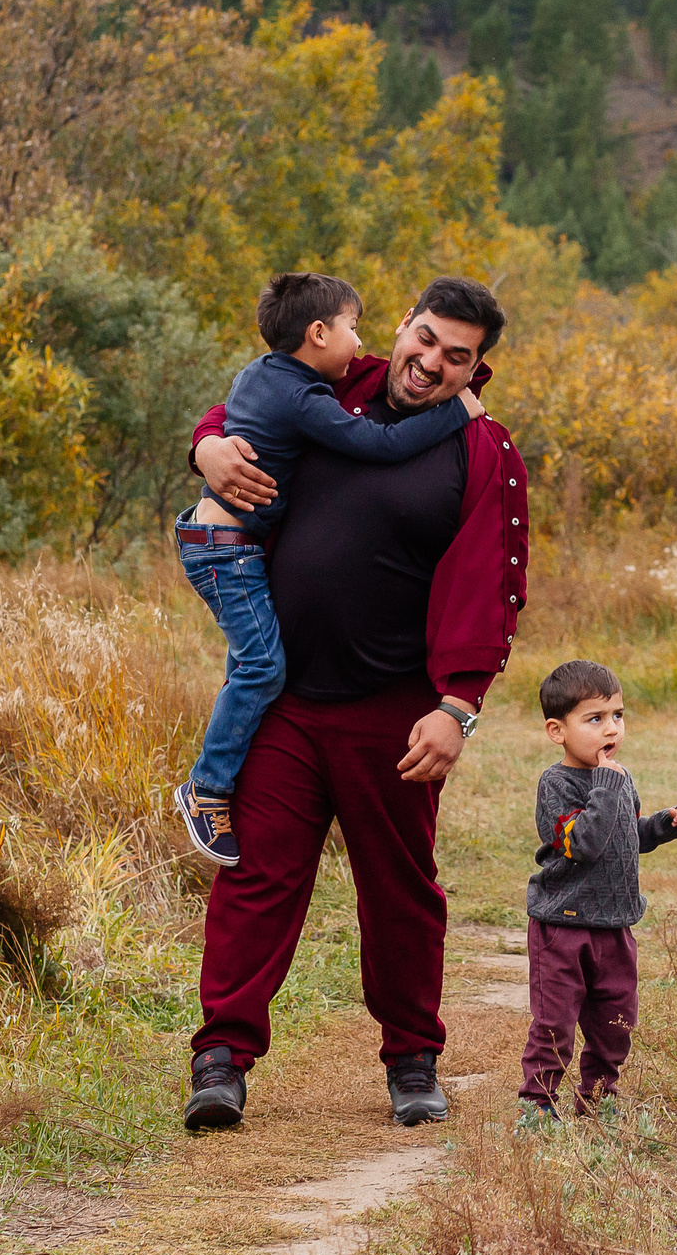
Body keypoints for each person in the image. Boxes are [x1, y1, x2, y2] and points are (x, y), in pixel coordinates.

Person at [176, 277, 529, 1134]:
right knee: (256, 877)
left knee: (401, 890)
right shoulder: (334, 385)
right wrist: (207, 447)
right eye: (427, 337)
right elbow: (249, 403)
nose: (432, 362)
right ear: (404, 323)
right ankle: (221, 1059)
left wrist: (458, 706)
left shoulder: (483, 451)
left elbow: (494, 585)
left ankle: (413, 1059)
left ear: (476, 368)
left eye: (458, 355)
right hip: (286, 696)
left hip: (395, 709)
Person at [171, 272, 485, 866]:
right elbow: (377, 444)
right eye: (352, 328)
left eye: (457, 357)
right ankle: (206, 788)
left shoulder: (267, 373)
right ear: (319, 333)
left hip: (217, 539)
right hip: (226, 547)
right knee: (262, 668)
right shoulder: (312, 394)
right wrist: (457, 414)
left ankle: (213, 781)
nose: (357, 341)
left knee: (253, 661)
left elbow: (236, 410)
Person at [518, 660, 677, 1125]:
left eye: (617, 715)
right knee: (555, 1024)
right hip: (562, 927)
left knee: (616, 1023)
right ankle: (537, 1106)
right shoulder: (556, 785)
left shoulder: (616, 777)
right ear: (557, 730)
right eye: (594, 719)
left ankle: (598, 1099)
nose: (610, 728)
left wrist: (660, 827)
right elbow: (586, 843)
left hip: (615, 925)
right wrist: (608, 784)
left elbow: (622, 835)